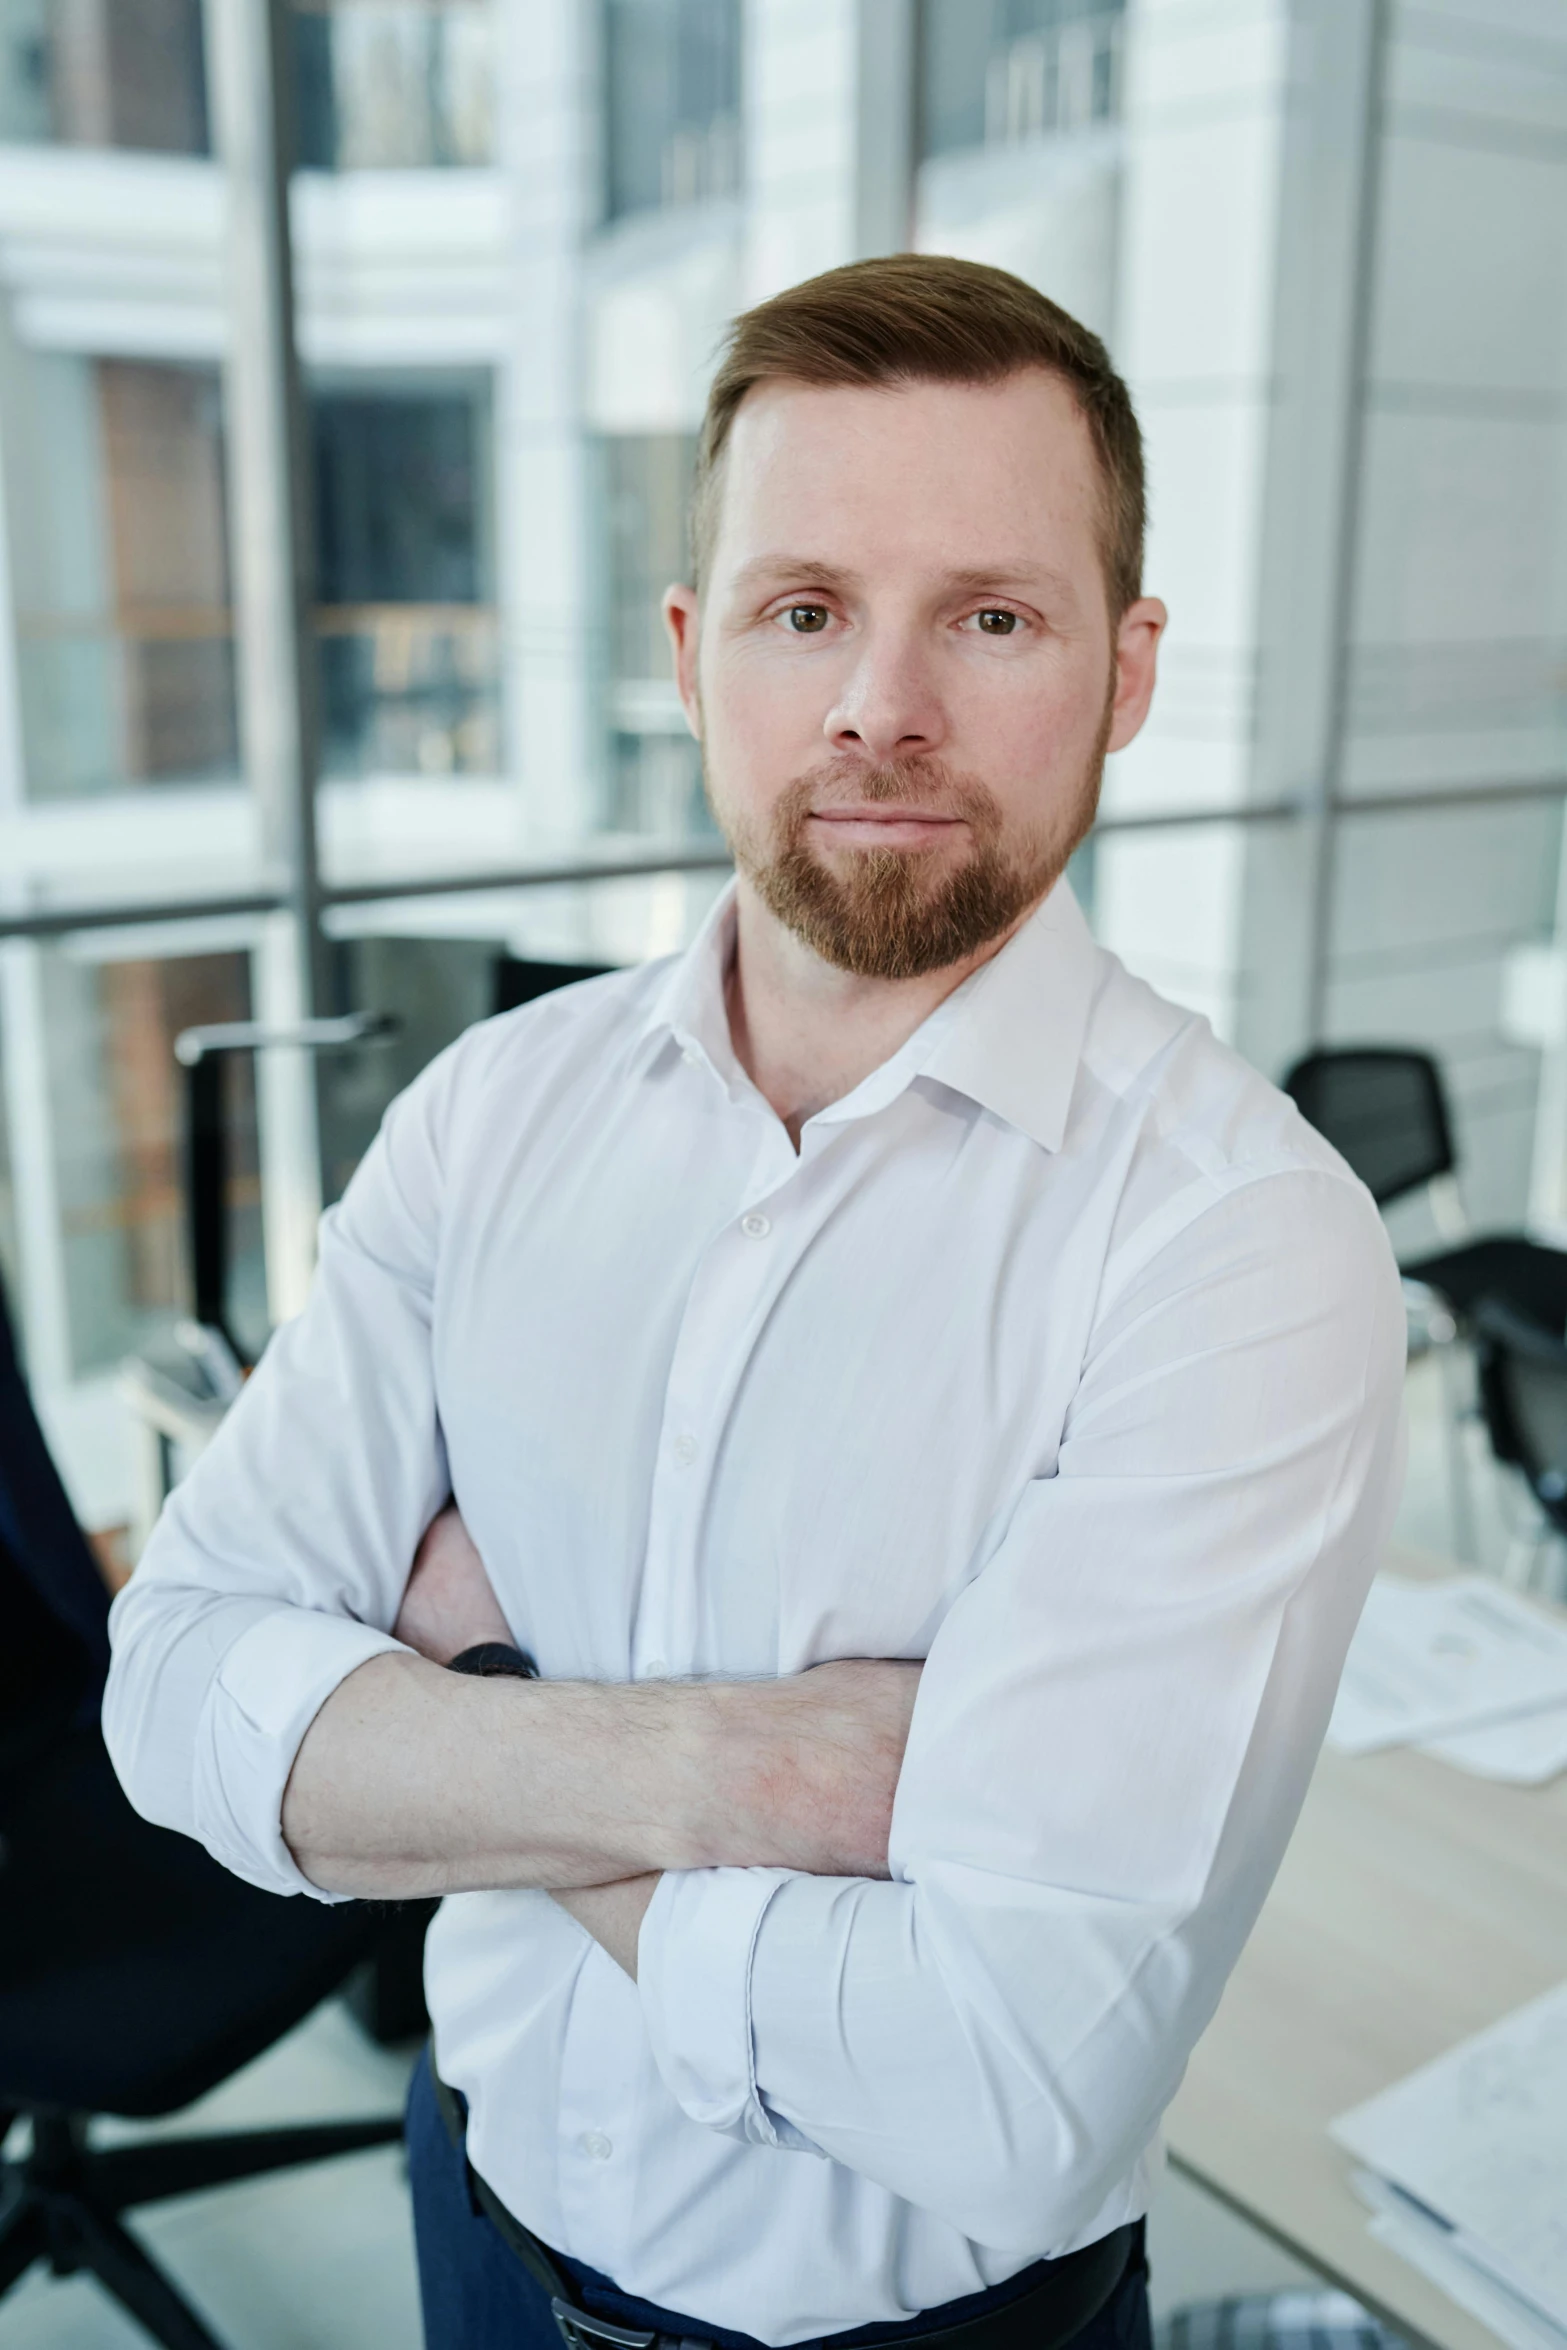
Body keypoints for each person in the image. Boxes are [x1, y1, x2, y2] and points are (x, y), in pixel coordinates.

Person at [104, 255, 1405, 2350]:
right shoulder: (488, 1117)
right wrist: (760, 1773)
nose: (883, 703)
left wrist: (471, 1706)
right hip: (479, 2218)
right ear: (699, 655)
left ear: (1129, 666)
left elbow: (1006, 2081)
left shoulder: (1241, 1245)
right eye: (808, 610)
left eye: (992, 615)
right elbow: (170, 1684)